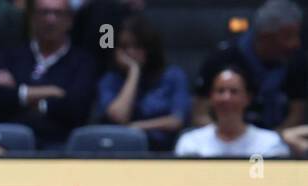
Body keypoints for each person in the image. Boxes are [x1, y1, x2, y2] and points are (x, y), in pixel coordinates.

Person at [0, 0, 96, 148]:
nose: (50, 20)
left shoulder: (83, 62)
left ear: (70, 20)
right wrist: (53, 92)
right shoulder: (10, 55)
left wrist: (20, 94)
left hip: (60, 146)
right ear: (32, 19)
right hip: (8, 145)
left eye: (57, 13)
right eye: (44, 13)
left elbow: (76, 107)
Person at [192, 0, 305, 131]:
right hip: (224, 144)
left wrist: (270, 141)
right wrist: (227, 139)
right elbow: (200, 114)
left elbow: (298, 115)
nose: (296, 43)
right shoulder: (222, 58)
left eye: (298, 35)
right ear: (266, 37)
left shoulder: (297, 61)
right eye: (288, 36)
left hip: (279, 144)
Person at [95, 14, 189, 151]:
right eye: (124, 47)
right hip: (118, 152)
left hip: (163, 152)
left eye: (137, 46)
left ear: (149, 48)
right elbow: (119, 117)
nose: (131, 52)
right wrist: (134, 71)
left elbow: (176, 120)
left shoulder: (173, 76)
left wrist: (136, 127)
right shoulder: (110, 80)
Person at [175, 66, 291, 157]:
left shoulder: (269, 143)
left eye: (234, 91)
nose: (226, 98)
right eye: (220, 91)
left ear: (248, 98)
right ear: (211, 97)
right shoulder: (191, 143)